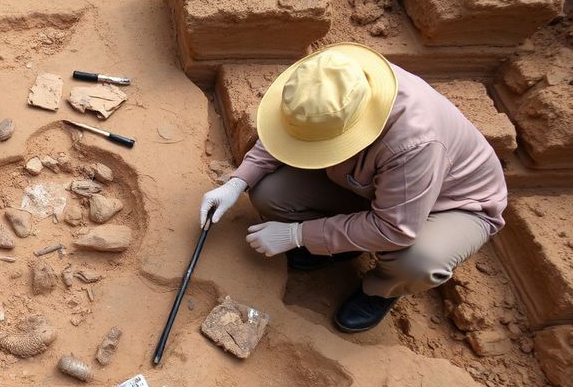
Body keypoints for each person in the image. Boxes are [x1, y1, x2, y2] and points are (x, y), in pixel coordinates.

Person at [200, 42, 507, 333]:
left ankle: (382, 288)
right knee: (271, 193)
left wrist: (298, 234)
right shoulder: (327, 79)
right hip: (377, 187)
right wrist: (238, 181)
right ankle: (341, 247)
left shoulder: (413, 143)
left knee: (417, 262)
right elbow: (291, 131)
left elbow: (396, 228)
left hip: (452, 204)